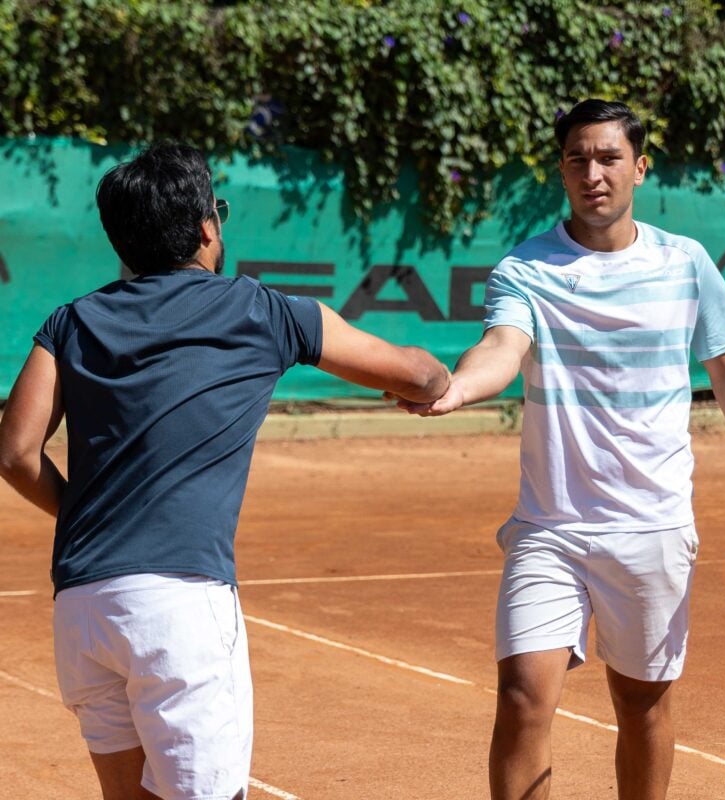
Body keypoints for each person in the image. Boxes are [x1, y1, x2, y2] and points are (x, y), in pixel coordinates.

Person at [0, 142, 450, 800]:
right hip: (179, 607)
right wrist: (434, 381)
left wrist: (88, 515)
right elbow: (418, 374)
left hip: (83, 608)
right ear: (207, 228)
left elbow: (14, 452)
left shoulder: (70, 322)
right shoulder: (262, 311)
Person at [397, 99, 725, 800]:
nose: (593, 174)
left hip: (653, 526)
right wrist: (458, 389)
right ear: (562, 171)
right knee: (522, 696)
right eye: (577, 159)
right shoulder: (526, 267)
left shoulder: (686, 263)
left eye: (609, 158)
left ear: (640, 168)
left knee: (642, 707)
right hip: (550, 526)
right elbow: (502, 348)